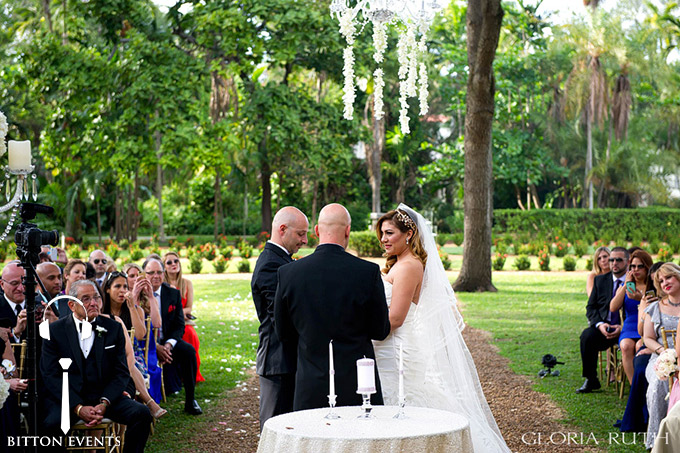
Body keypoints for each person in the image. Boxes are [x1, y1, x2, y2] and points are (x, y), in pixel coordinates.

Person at [372, 205, 510, 453]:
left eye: (390, 233)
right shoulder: (403, 263)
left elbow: (395, 319)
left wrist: (359, 328)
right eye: (382, 233)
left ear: (409, 234)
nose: (383, 239)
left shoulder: (408, 266)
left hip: (396, 350)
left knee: (401, 406)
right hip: (392, 346)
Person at [274, 203, 390, 411]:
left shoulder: (288, 274)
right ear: (348, 231)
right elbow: (380, 331)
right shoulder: (367, 272)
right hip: (357, 384)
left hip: (310, 384)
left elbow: (283, 333)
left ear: (317, 231)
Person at [40, 279, 152, 453]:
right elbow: (50, 375)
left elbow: (121, 372)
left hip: (105, 396)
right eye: (85, 299)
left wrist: (105, 402)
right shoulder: (54, 332)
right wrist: (78, 407)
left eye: (96, 297)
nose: (93, 303)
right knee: (49, 425)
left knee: (142, 415)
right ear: (71, 305)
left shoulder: (113, 328)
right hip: (69, 399)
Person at [252, 206, 308, 430]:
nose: (304, 240)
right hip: (278, 361)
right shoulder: (270, 265)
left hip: (286, 359)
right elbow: (282, 319)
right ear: (282, 229)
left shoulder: (281, 260)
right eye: (300, 233)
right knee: (275, 429)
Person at [102, 272, 166, 420]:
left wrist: (132, 307)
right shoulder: (101, 312)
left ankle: (148, 404)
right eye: (117, 286)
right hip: (108, 358)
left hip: (135, 357)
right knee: (121, 362)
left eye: (125, 286)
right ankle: (150, 403)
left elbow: (139, 335)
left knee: (126, 362)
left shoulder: (136, 309)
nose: (122, 290)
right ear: (107, 289)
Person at [142, 258, 201, 415]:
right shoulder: (139, 295)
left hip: (167, 341)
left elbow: (179, 325)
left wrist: (168, 345)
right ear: (144, 274)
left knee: (188, 351)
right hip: (145, 344)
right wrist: (156, 346)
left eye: (159, 272)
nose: (156, 276)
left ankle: (190, 400)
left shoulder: (172, 293)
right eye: (151, 272)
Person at [618, 261, 664, 432]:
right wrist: (645, 309)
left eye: (666, 280)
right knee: (640, 367)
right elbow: (642, 331)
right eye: (657, 282)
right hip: (652, 344)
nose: (662, 285)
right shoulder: (648, 300)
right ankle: (644, 416)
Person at [576, 246, 629, 393]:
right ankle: (591, 379)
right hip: (604, 327)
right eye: (612, 260)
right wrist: (599, 324)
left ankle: (634, 381)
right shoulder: (600, 280)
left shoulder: (633, 281)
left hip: (626, 329)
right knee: (587, 336)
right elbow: (591, 308)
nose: (614, 263)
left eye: (618, 260)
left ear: (627, 262)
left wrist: (622, 327)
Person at [643, 263, 680, 449]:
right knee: (658, 384)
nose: (665, 283)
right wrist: (662, 352)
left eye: (669, 277)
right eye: (661, 281)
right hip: (660, 360)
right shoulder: (655, 307)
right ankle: (656, 442)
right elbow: (647, 338)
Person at [610, 249, 654, 384]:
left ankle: (644, 384)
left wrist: (641, 298)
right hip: (630, 325)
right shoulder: (627, 286)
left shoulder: (653, 284)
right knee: (626, 346)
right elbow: (613, 307)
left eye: (639, 266)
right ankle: (633, 385)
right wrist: (625, 285)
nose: (635, 270)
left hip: (648, 325)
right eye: (633, 266)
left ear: (647, 267)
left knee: (639, 346)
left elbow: (655, 305)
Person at [124, 263, 163, 404]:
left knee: (153, 370)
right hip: (133, 344)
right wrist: (133, 296)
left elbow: (157, 324)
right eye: (131, 276)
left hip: (149, 345)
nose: (135, 279)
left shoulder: (147, 299)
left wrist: (151, 296)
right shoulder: (123, 300)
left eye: (138, 275)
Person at [163, 251, 204, 383]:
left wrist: (178, 313)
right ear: (164, 266)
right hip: (168, 323)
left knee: (190, 334)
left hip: (183, 322)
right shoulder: (162, 284)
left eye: (176, 261)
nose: (173, 264)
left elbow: (189, 308)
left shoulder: (187, 283)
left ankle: (191, 373)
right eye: (169, 262)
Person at [0, 262, 27, 343]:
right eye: (14, 283)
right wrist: (15, 333)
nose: (21, 288)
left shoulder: (38, 306)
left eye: (24, 283)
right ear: (2, 284)